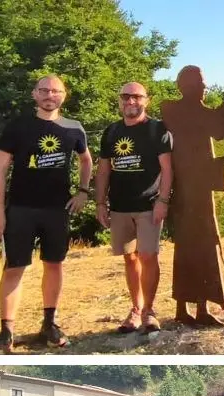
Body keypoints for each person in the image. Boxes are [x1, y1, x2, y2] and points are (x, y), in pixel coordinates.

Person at [0, 74, 92, 353]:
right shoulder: (18, 127)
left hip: (57, 210)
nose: (49, 95)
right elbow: (0, 169)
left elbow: (86, 160)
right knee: (14, 267)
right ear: (34, 94)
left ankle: (49, 324)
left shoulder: (74, 128)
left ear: (63, 95)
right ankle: (6, 332)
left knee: (54, 264)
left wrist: (82, 192)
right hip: (20, 208)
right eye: (44, 90)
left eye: (55, 91)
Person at [161, 67, 224, 328]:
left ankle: (201, 308)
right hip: (183, 188)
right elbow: (217, 127)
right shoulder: (172, 109)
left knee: (206, 244)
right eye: (200, 84)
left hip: (200, 188)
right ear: (186, 87)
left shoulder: (198, 112)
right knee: (187, 247)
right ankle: (182, 308)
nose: (204, 88)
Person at [96, 81, 173, 334]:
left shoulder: (157, 129)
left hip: (149, 205)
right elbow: (104, 170)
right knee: (130, 258)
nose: (131, 101)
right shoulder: (111, 132)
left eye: (136, 97)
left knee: (148, 256)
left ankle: (150, 311)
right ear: (119, 101)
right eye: (126, 97)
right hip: (119, 206)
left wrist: (163, 200)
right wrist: (100, 203)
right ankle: (136, 310)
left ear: (146, 100)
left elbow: (167, 168)